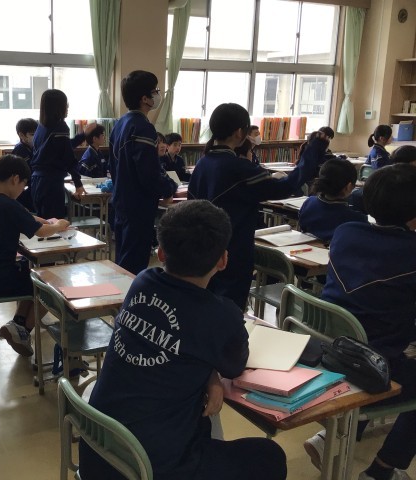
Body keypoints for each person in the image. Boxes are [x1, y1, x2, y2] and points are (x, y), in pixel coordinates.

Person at [78, 200, 287, 480]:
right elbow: (234, 367)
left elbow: (180, 345)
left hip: (98, 453)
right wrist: (214, 373)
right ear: (223, 260)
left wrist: (209, 376)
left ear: (160, 253)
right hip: (150, 468)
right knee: (270, 456)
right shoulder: (220, 315)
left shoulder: (142, 282)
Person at [303, 164, 416, 480]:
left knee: (371, 342)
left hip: (328, 352)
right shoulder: (410, 252)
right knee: (386, 357)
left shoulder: (346, 232)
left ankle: (332, 437)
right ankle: (381, 471)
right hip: (374, 365)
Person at [188, 102, 328, 310]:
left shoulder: (203, 163)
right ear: (239, 132)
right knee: (230, 310)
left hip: (202, 249)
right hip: (233, 251)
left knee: (205, 306)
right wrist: (313, 152)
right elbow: (286, 186)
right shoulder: (239, 168)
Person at [0, 154, 70, 356]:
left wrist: (46, 221)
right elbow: (40, 232)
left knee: (34, 272)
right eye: (23, 186)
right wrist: (59, 225)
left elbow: (25, 217)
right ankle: (24, 330)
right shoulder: (9, 205)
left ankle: (17, 325)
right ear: (15, 179)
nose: (22, 190)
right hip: (1, 277)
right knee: (51, 286)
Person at [109, 70, 178, 275]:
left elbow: (114, 167)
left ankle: (122, 296)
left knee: (123, 261)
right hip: (137, 205)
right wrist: (169, 188)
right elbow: (148, 172)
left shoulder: (120, 123)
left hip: (121, 200)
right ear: (145, 99)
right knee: (133, 265)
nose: (158, 94)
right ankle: (130, 297)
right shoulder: (142, 127)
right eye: (155, 91)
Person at [29, 89, 95, 219]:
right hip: (51, 184)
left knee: (43, 222)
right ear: (58, 107)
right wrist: (78, 184)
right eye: (66, 103)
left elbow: (64, 147)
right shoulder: (60, 127)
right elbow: (68, 158)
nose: (68, 107)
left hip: (37, 181)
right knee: (55, 223)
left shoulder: (41, 127)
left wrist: (83, 135)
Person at [298, 158, 368, 243]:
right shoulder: (356, 219)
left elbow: (302, 226)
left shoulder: (308, 203)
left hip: (306, 247)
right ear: (349, 187)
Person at [13, 117, 37, 211]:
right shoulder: (20, 149)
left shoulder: (33, 147)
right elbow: (28, 172)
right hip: (23, 190)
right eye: (32, 134)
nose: (36, 137)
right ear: (21, 135)